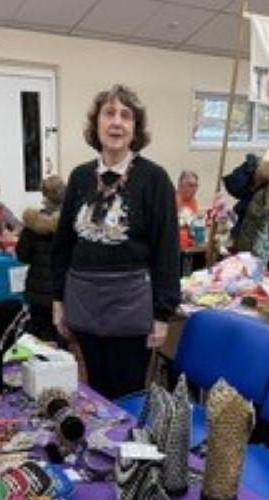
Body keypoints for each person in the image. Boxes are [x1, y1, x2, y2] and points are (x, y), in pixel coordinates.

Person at [52, 84, 180, 399]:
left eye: (126, 116)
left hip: (131, 307)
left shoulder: (155, 179)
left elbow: (167, 250)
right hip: (84, 303)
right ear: (96, 124)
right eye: (109, 113)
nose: (117, 122)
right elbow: (64, 244)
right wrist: (58, 299)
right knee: (93, 391)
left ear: (136, 128)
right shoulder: (80, 177)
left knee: (126, 396)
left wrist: (162, 314)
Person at [16, 174, 65, 342]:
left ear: (43, 194)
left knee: (37, 338)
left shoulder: (32, 224)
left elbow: (22, 255)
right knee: (61, 337)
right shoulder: (72, 222)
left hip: (36, 290)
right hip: (62, 289)